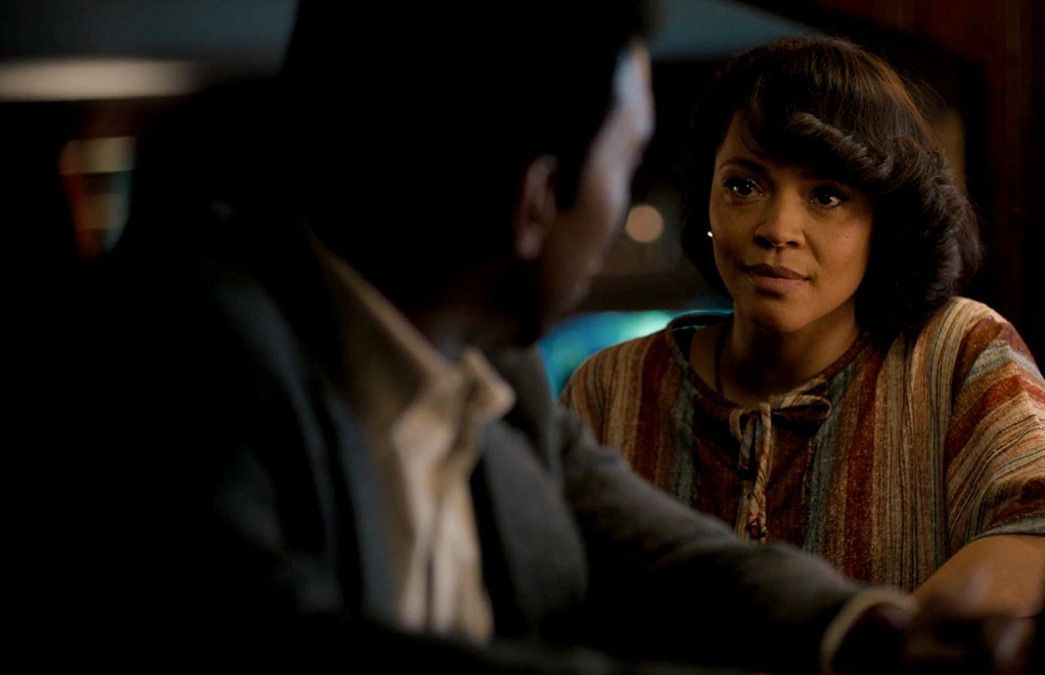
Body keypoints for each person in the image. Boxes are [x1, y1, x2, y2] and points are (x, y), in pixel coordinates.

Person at [73, 7, 1034, 673]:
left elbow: (652, 549)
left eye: (825, 195)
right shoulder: (185, 348)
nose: (772, 227)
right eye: (626, 164)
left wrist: (870, 631)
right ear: (537, 200)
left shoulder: (490, 368)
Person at [561, 37, 1045, 618]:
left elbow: (1035, 529)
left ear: (884, 220)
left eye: (826, 196)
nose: (777, 228)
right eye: (743, 185)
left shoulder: (957, 356)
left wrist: (881, 644)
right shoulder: (611, 387)